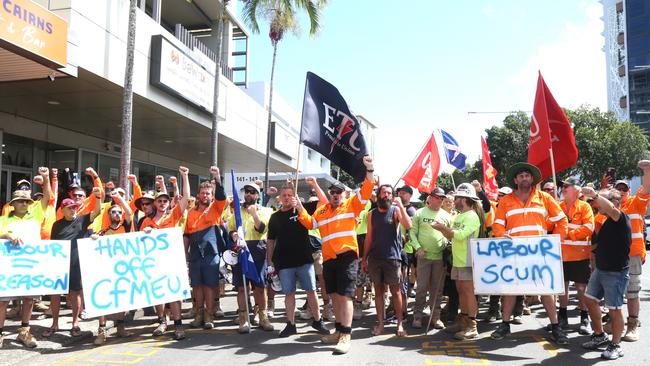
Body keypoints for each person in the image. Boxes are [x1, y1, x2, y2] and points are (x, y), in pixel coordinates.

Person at [296, 156, 375, 354]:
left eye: (339, 192)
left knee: (346, 297)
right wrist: (299, 207)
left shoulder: (352, 205)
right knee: (335, 297)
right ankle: (339, 332)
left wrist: (370, 169)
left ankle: (346, 335)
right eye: (333, 192)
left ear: (344, 194)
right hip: (329, 259)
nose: (336, 195)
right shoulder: (322, 211)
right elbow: (309, 224)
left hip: (347, 258)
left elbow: (366, 190)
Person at [490, 162, 569, 345]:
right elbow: (497, 225)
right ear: (516, 180)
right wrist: (502, 235)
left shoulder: (545, 198)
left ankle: (555, 327)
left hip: (539, 253)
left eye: (527, 175)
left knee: (546, 290)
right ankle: (505, 324)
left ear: (532, 179)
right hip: (513, 253)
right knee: (510, 289)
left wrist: (555, 243)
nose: (524, 178)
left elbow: (561, 220)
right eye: (521, 176)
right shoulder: (505, 201)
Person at [268, 181, 329, 337]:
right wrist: (269, 261)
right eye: (284, 196)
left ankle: (318, 320)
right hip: (284, 262)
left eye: (290, 195)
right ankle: (291, 324)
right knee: (289, 293)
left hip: (304, 260)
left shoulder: (302, 209)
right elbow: (271, 241)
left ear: (295, 197)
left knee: (311, 291)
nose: (287, 198)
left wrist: (312, 187)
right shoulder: (274, 217)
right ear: (280, 198)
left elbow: (324, 203)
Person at [0, 167, 52, 348]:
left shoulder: (36, 214)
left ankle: (24, 331)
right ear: (12, 204)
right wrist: (6, 235)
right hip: (9, 269)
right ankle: (0, 333)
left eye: (26, 201)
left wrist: (46, 178)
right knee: (3, 301)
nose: (23, 203)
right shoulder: (3, 219)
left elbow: (47, 196)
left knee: (29, 300)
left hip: (31, 267)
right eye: (20, 201)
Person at [580, 187, 631, 360]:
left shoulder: (620, 217)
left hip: (615, 273)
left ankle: (616, 345)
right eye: (596, 200)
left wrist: (593, 194)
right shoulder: (606, 220)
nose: (595, 203)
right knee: (589, 299)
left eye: (600, 200)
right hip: (601, 270)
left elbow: (610, 209)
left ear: (615, 202)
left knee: (614, 310)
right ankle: (599, 335)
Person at [603, 160, 650, 342]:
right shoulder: (609, 208)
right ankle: (615, 323)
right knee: (614, 292)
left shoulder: (636, 203)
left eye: (625, 189)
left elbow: (646, 187)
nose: (622, 191)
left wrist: (646, 171)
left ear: (629, 192)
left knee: (632, 292)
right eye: (619, 189)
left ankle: (632, 325)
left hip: (632, 256)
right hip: (613, 257)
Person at [45, 189, 102, 338]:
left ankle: (75, 323)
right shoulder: (56, 225)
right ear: (62, 210)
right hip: (59, 264)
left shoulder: (82, 220)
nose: (73, 210)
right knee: (55, 293)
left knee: (75, 292)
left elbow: (97, 211)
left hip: (76, 263)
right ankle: (54, 323)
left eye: (74, 207)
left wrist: (97, 196)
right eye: (69, 208)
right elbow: (52, 246)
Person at [141, 166, 190, 340]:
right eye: (159, 201)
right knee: (157, 293)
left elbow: (185, 199)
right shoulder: (146, 221)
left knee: (173, 294)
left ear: (169, 203)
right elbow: (138, 244)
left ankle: (178, 325)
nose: (162, 203)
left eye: (165, 201)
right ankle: (162, 321)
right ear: (155, 203)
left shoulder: (173, 215)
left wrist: (184, 176)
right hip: (153, 263)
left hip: (171, 261)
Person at [432, 183, 483, 340]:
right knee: (461, 292)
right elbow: (452, 236)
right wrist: (444, 231)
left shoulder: (472, 216)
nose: (454, 200)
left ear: (464, 199)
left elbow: (459, 235)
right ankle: (463, 320)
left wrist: (442, 228)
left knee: (468, 293)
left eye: (457, 198)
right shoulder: (460, 215)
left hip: (468, 260)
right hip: (458, 260)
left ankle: (472, 326)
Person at [362, 184, 412, 337]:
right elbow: (369, 237)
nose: (386, 195)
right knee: (378, 292)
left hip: (393, 258)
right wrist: (364, 258)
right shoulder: (372, 214)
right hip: (375, 258)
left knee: (396, 292)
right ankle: (381, 324)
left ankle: (400, 324)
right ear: (378, 195)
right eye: (383, 192)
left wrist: (401, 206)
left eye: (389, 193)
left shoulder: (396, 210)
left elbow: (408, 224)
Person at [228, 182, 274, 334]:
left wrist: (254, 213)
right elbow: (231, 229)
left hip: (258, 249)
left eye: (252, 192)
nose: (248, 194)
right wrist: (233, 234)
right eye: (246, 191)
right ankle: (244, 318)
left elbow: (261, 229)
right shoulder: (236, 212)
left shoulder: (266, 211)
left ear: (257, 195)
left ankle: (263, 317)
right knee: (241, 288)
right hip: (241, 249)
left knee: (260, 288)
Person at [184, 167, 227, 330]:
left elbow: (221, 195)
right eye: (202, 193)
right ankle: (199, 314)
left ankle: (209, 315)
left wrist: (216, 177)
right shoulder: (190, 213)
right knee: (196, 286)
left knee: (210, 285)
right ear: (198, 195)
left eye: (208, 193)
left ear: (211, 195)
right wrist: (184, 255)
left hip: (211, 253)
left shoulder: (217, 208)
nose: (205, 195)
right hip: (195, 254)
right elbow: (186, 235)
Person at [92, 191, 136, 345]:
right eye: (114, 212)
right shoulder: (102, 232)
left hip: (123, 271)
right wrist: (94, 239)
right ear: (109, 215)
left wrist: (120, 199)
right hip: (107, 271)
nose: (117, 214)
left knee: (121, 300)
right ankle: (102, 331)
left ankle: (120, 328)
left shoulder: (126, 226)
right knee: (103, 299)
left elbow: (129, 212)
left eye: (119, 212)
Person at [554, 178, 594, 334]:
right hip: (561, 255)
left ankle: (584, 318)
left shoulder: (585, 207)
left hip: (580, 256)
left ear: (577, 190)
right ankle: (562, 316)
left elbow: (588, 228)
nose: (563, 188)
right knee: (562, 288)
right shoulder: (558, 206)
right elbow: (550, 224)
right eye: (563, 186)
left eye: (567, 186)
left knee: (581, 288)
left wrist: (568, 234)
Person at [409, 187, 452, 330]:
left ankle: (436, 317)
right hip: (424, 256)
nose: (440, 200)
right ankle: (417, 316)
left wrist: (448, 245)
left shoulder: (446, 216)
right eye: (437, 197)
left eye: (442, 198)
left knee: (437, 289)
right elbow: (413, 233)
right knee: (421, 288)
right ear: (431, 198)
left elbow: (450, 235)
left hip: (439, 257)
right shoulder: (420, 213)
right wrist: (418, 248)